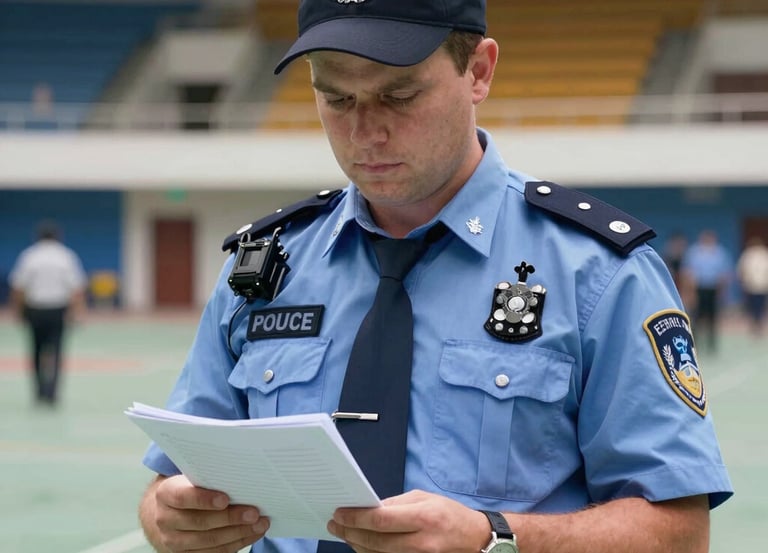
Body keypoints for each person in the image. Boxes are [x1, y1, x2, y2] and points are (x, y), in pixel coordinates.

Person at [138, 2, 733, 553]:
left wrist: (493, 536)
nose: (365, 132)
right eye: (336, 99)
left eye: (398, 95)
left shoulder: (600, 273)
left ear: (479, 71)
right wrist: (168, 517)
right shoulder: (266, 265)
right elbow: (168, 484)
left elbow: (679, 530)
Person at [8, 220, 87, 406]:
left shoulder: (29, 256)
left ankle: (39, 392)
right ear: (58, 237)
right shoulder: (66, 256)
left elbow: (18, 288)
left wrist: (18, 312)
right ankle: (52, 393)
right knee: (57, 351)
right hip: (57, 310)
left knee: (36, 350)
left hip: (35, 309)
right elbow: (76, 288)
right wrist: (77, 312)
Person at [682, 229, 733, 353]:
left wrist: (722, 290)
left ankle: (711, 344)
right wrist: (689, 292)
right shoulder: (694, 252)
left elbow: (725, 273)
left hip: (713, 288)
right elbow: (687, 272)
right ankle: (695, 343)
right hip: (698, 288)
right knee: (696, 318)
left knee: (713, 318)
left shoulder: (720, 253)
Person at [736, 236, 768, 336]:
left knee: (756, 306)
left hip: (757, 285)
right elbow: (742, 270)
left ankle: (756, 324)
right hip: (755, 285)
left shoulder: (759, 254)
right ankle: (756, 324)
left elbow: (741, 270)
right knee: (756, 306)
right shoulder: (749, 254)